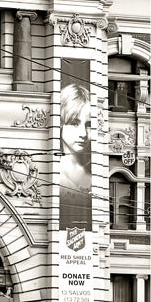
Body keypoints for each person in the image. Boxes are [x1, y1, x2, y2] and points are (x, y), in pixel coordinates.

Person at [59, 84, 92, 228]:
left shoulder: (94, 171)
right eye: (74, 123)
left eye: (88, 124)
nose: (83, 133)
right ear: (60, 124)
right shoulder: (55, 172)